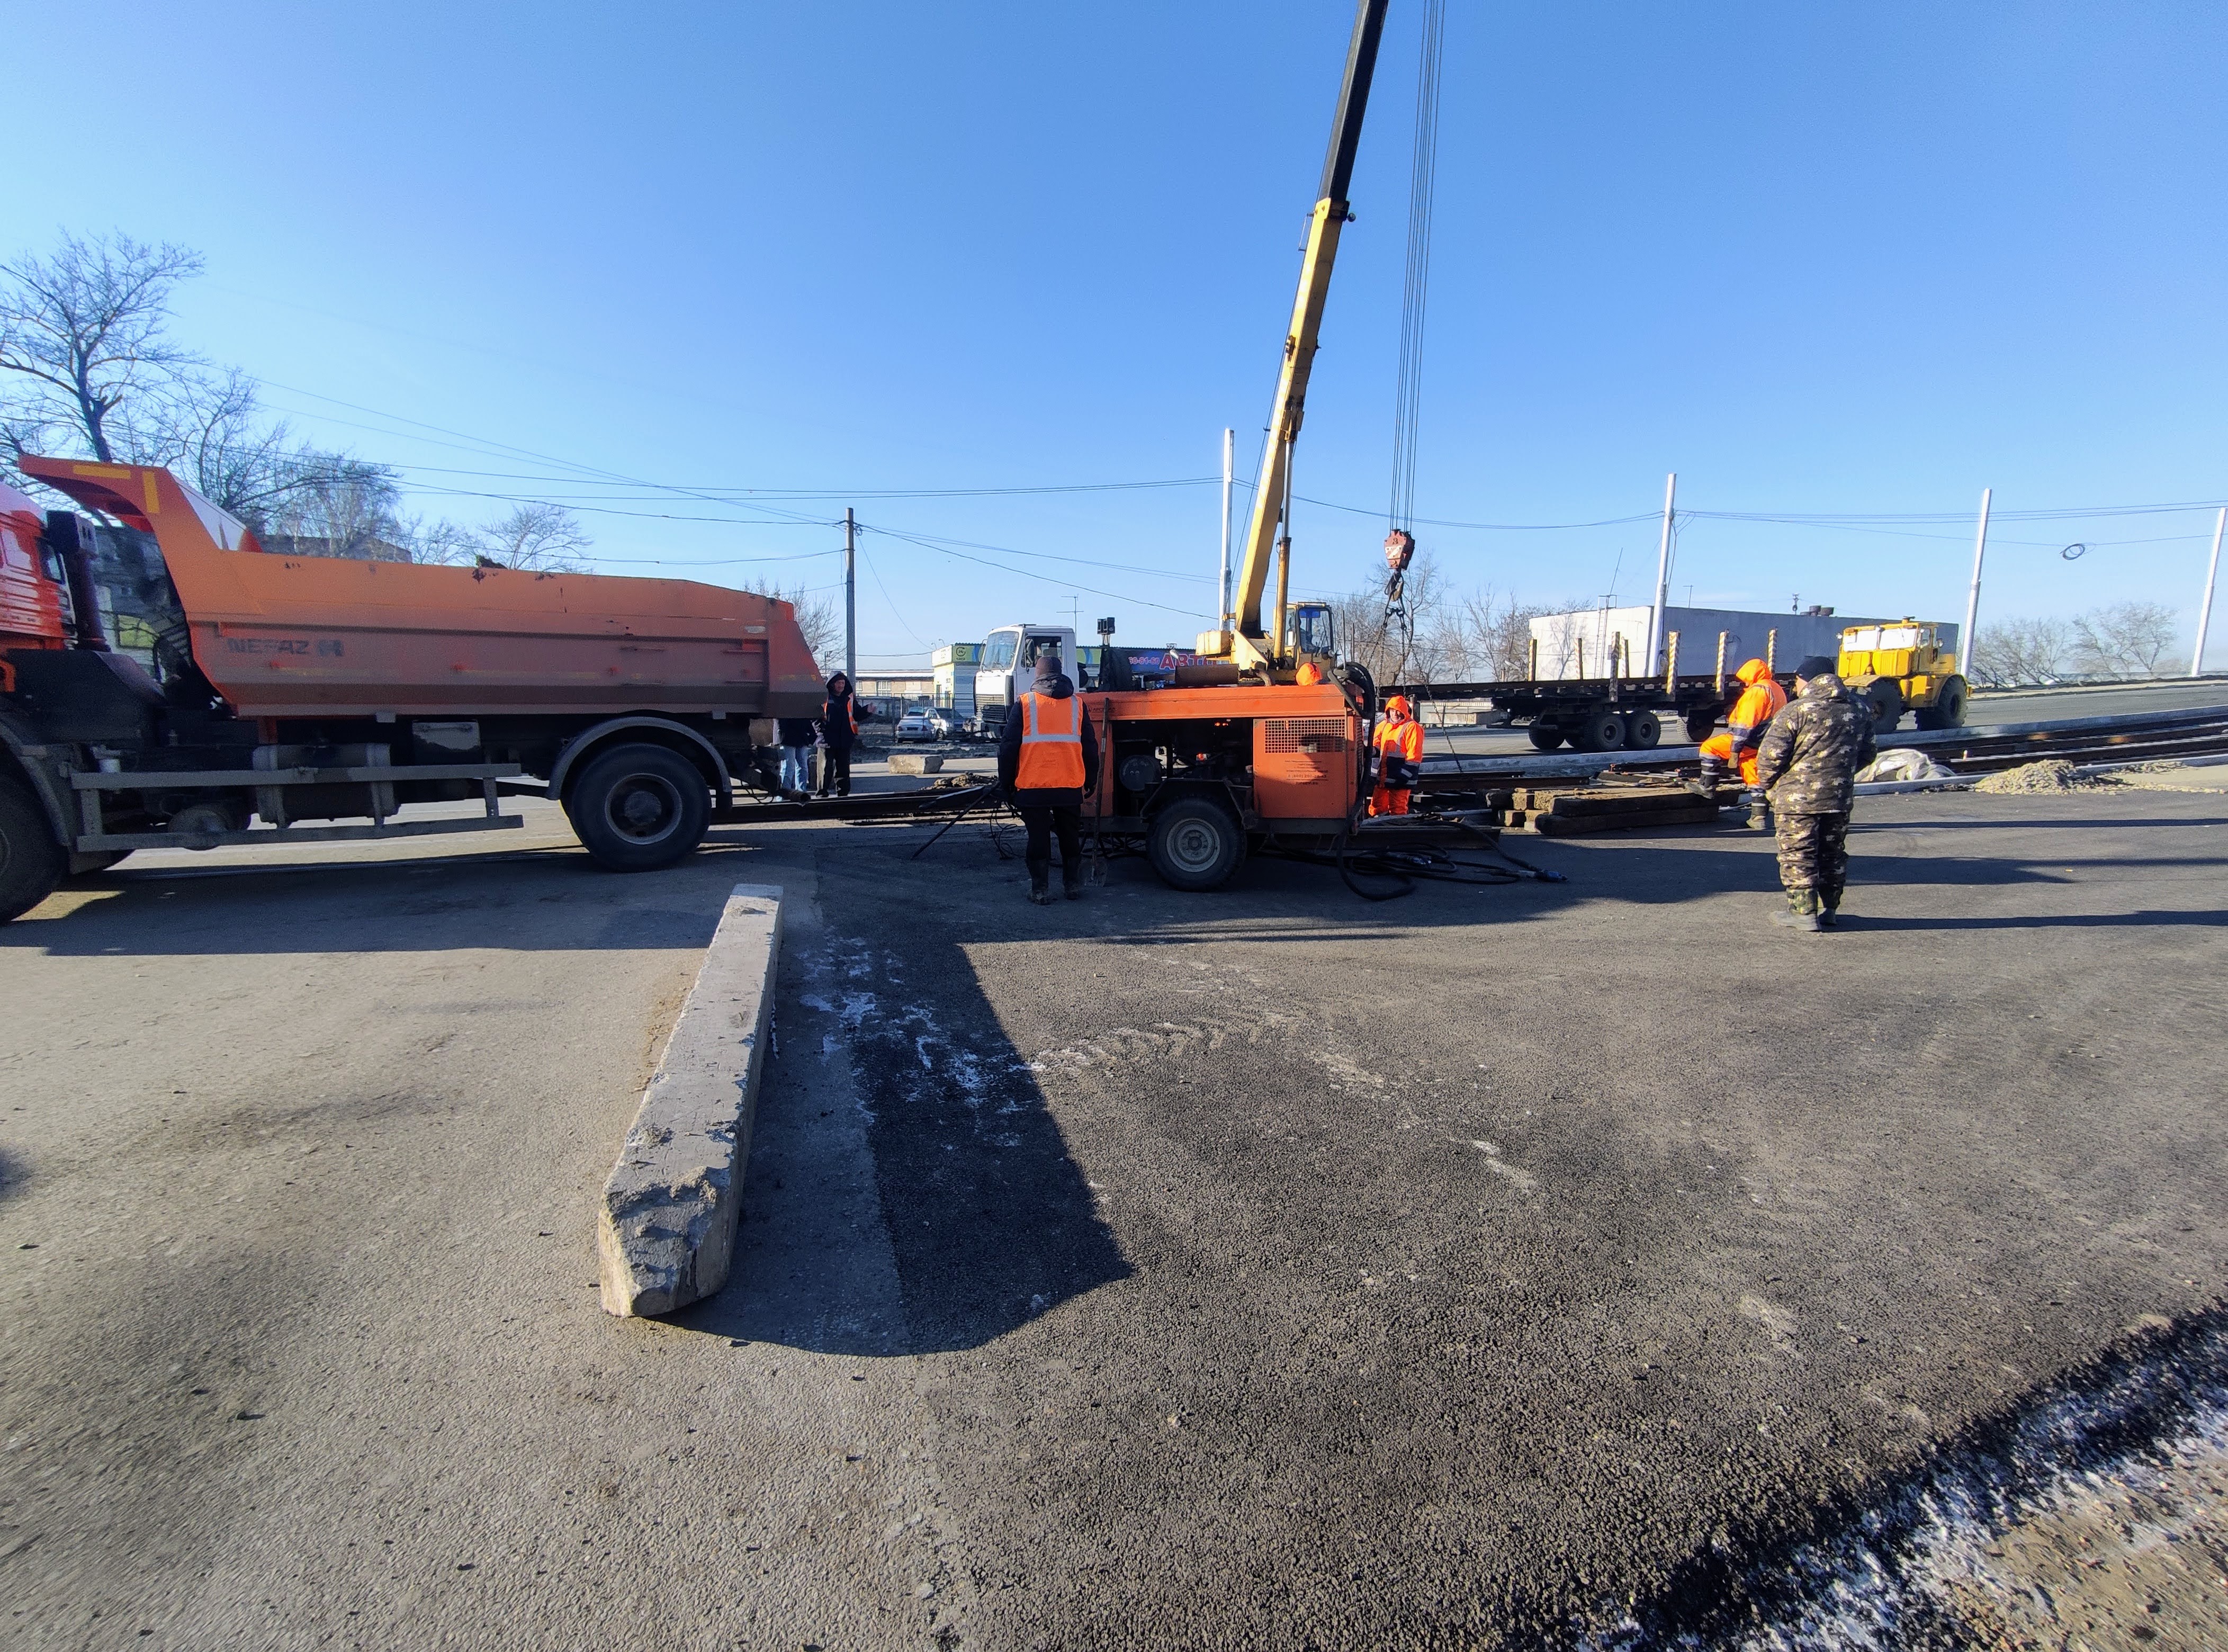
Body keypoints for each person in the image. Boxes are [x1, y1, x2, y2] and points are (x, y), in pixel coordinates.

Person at [1752, 654, 1877, 932]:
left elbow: (1770, 757)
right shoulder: (1859, 708)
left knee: (1799, 853)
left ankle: (1803, 913)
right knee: (1832, 853)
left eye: (1797, 680)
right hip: (1839, 798)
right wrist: (1838, 775)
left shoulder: (1797, 710)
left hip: (1797, 801)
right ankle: (1830, 909)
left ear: (1805, 679)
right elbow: (1868, 753)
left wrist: (1771, 785)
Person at [998, 652, 1102, 904]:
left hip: (1033, 787)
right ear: (1061, 673)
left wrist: (1006, 784)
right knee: (1070, 837)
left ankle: (1040, 890)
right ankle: (1072, 886)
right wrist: (1091, 779)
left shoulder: (1025, 704)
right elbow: (1090, 746)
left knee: (1038, 839)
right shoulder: (1077, 704)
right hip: (1069, 785)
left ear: (1037, 676)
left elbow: (1008, 748)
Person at [1692, 658, 1786, 796]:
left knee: (1709, 748)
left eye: (1746, 679)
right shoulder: (1775, 688)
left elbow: (1745, 724)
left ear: (1752, 675)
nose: (1745, 683)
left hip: (1751, 740)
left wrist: (1736, 750)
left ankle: (1707, 787)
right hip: (1766, 740)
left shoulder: (1757, 691)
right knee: (1752, 770)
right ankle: (1759, 809)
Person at [1369, 695, 1424, 816]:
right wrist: (1367, 750)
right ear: (1388, 711)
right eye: (1392, 710)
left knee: (1398, 808)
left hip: (1401, 778)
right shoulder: (1383, 726)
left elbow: (1414, 756)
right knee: (1377, 807)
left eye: (1398, 711)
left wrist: (1404, 776)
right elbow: (1376, 749)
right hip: (1383, 778)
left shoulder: (1412, 727)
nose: (1395, 714)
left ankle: (1396, 826)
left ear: (1404, 711)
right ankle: (1378, 825)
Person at [815, 672, 858, 798]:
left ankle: (843, 795)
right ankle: (822, 795)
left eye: (843, 683)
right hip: (826, 741)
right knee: (825, 769)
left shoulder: (849, 698)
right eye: (839, 683)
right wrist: (819, 729)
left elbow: (857, 714)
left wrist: (868, 711)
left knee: (843, 770)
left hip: (844, 740)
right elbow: (814, 715)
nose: (841, 686)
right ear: (832, 684)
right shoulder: (824, 697)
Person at [776, 714, 815, 800]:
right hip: (790, 737)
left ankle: (800, 794)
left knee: (800, 767)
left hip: (799, 736)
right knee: (790, 767)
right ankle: (785, 795)